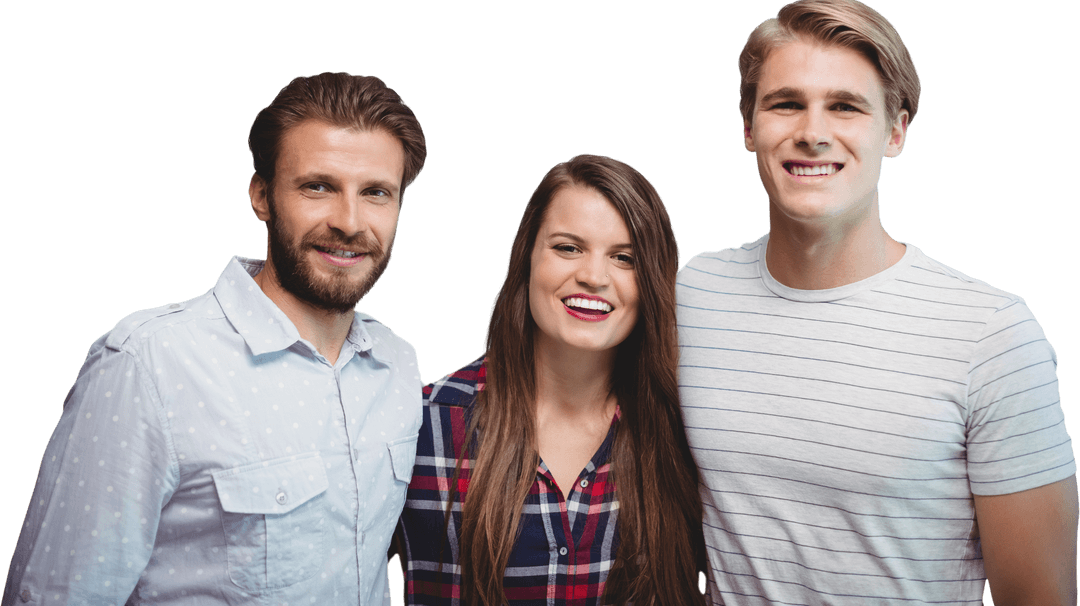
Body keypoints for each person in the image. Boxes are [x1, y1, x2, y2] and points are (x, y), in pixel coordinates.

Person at [677, 0, 1077, 604]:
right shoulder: (692, 295)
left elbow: (1038, 595)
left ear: (895, 131)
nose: (812, 133)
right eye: (786, 104)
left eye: (845, 106)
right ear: (748, 128)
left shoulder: (992, 334)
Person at [2, 72, 427, 605]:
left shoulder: (397, 365)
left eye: (376, 193)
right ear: (261, 195)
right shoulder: (150, 364)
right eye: (317, 186)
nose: (349, 221)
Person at [395, 154, 705, 605]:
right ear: (527, 259)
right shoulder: (424, 427)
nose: (593, 276)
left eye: (624, 258)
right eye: (568, 248)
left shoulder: (686, 433)